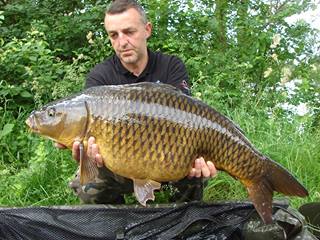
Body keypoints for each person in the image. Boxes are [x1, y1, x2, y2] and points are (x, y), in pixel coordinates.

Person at [57, 0, 217, 204]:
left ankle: (184, 221)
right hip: (119, 166)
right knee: (86, 184)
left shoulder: (171, 66)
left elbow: (188, 120)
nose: (122, 42)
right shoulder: (100, 77)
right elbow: (86, 152)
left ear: (147, 29)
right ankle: (114, 226)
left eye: (129, 32)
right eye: (113, 35)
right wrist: (82, 154)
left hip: (169, 161)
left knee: (198, 170)